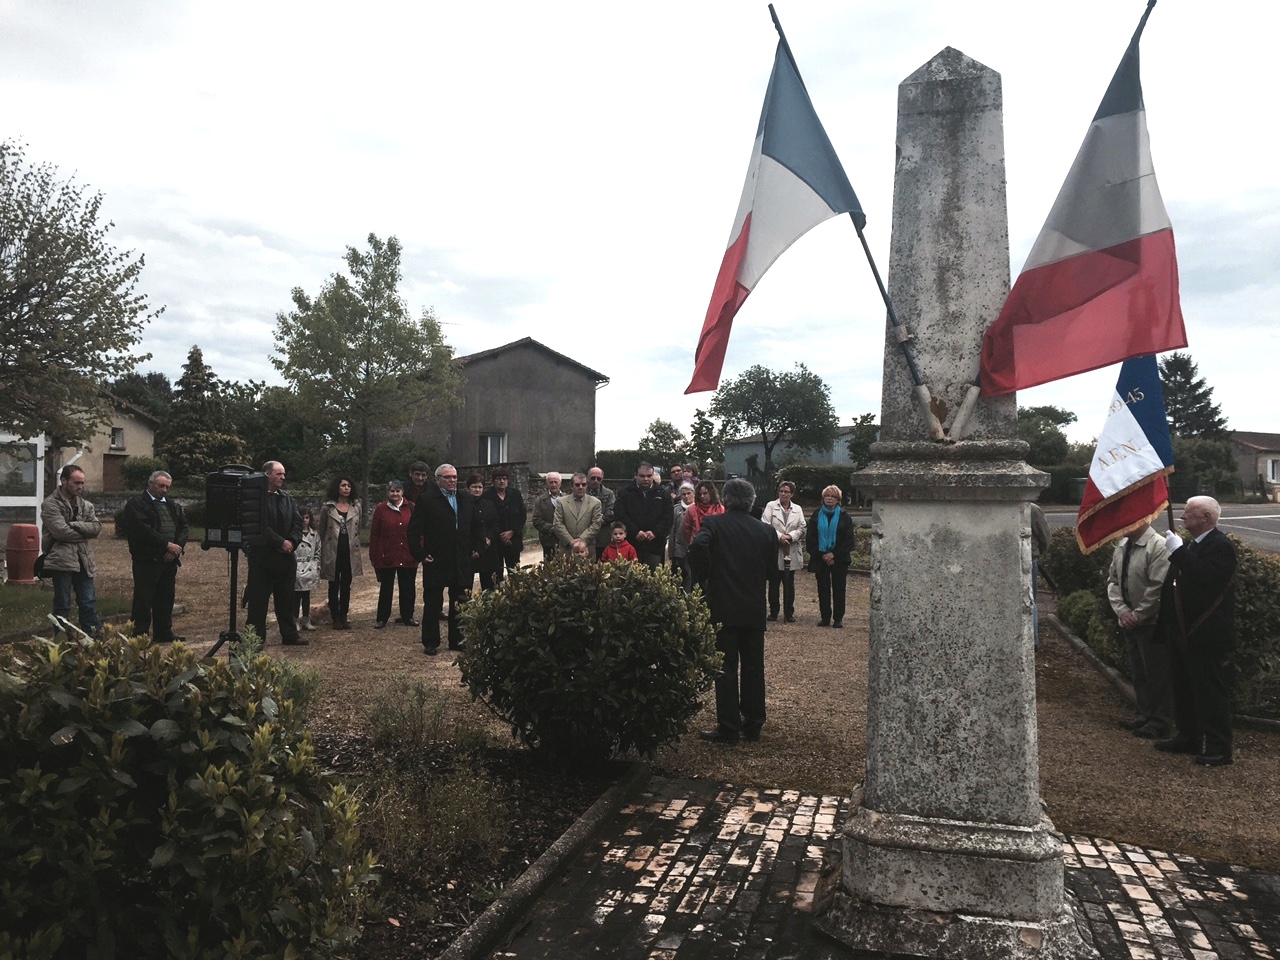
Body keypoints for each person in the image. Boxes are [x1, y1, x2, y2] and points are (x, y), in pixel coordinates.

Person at [688, 477, 776, 744]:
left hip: (723, 604)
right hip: (753, 606)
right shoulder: (765, 531)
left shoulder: (715, 523)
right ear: (751, 502)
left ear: (725, 500)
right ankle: (753, 723)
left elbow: (696, 547)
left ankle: (728, 726)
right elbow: (773, 572)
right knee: (753, 666)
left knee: (726, 667)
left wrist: (705, 576)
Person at [1154, 497, 1238, 767]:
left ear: (1206, 518)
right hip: (1182, 630)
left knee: (1209, 692)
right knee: (1183, 688)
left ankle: (1219, 748)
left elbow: (1206, 577)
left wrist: (1178, 552)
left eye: (1188, 514)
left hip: (1205, 632)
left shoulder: (1221, 546)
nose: (1182, 518)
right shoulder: (1192, 545)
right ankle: (1188, 736)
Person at [406, 463, 484, 655]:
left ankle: (457, 640)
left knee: (460, 602)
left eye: (454, 477)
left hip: (461, 558)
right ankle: (431, 642)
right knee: (433, 603)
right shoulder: (427, 500)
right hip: (437, 559)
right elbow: (414, 532)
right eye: (447, 477)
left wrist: (478, 547)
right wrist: (421, 555)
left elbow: (476, 526)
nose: (452, 481)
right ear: (438, 479)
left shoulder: (466, 498)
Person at [1107, 522, 1172, 738]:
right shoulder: (1123, 545)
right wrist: (1122, 611)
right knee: (1138, 671)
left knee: (1156, 673)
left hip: (1150, 623)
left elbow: (1157, 587)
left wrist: (1138, 615)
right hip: (1129, 620)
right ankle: (1145, 714)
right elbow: (1113, 581)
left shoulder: (1158, 546)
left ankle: (1160, 720)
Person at [123, 469, 188, 643]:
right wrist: (165, 546)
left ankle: (163, 632)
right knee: (144, 599)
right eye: (161, 486)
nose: (164, 490)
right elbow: (142, 530)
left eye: (167, 487)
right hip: (147, 559)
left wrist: (177, 548)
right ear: (151, 484)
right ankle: (140, 635)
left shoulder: (172, 505)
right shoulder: (137, 504)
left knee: (166, 598)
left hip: (169, 560)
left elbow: (183, 528)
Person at [246, 461, 305, 646]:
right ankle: (255, 639)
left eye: (283, 474)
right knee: (258, 601)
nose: (283, 477)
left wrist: (292, 542)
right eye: (279, 474)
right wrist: (280, 542)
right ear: (267, 475)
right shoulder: (255, 499)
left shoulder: (287, 498)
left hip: (286, 557)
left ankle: (289, 635)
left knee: (286, 599)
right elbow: (259, 525)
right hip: (263, 557)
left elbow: (297, 522)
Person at [41, 464, 102, 636]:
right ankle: (61, 642)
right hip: (61, 560)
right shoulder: (50, 504)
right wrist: (84, 532)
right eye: (76, 483)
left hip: (84, 560)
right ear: (64, 481)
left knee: (88, 602)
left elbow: (96, 528)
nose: (80, 487)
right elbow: (61, 532)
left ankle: (92, 640)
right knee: (63, 604)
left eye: (82, 483)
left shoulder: (85, 505)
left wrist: (75, 525)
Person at [369, 480, 418, 629]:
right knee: (386, 587)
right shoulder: (381, 509)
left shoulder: (411, 507)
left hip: (407, 553)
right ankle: (382, 618)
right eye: (392, 491)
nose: (395, 494)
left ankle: (407, 616)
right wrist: (374, 555)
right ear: (388, 493)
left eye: (397, 491)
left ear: (402, 492)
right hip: (387, 553)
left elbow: (418, 531)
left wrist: (418, 550)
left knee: (408, 587)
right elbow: (374, 534)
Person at [806, 485, 855, 628]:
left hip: (839, 559)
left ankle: (838, 618)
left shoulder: (845, 517)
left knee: (839, 589)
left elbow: (849, 541)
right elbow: (811, 539)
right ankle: (825, 617)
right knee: (823, 588)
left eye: (833, 496)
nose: (829, 498)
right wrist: (823, 555)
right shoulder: (816, 515)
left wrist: (833, 554)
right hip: (820, 559)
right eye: (827, 496)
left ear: (838, 500)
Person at [319, 475, 363, 630]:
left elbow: (358, 528)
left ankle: (344, 615)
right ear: (337, 487)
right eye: (343, 485)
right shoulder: (328, 508)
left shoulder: (356, 507)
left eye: (349, 486)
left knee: (346, 584)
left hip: (349, 550)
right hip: (333, 550)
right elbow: (322, 531)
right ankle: (335, 616)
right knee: (333, 583)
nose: (346, 488)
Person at [761, 481, 806, 623]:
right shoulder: (771, 506)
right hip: (775, 549)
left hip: (790, 549)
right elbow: (765, 524)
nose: (783, 494)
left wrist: (791, 536)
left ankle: (789, 612)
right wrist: (780, 537)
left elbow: (802, 527)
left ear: (791, 494)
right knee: (774, 583)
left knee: (789, 582)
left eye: (786, 492)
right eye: (781, 491)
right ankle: (774, 611)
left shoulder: (797, 509)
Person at [613, 462, 673, 569]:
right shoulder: (624, 493)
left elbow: (668, 517)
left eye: (649, 476)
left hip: (655, 546)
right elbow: (620, 515)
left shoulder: (663, 493)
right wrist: (635, 531)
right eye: (642, 476)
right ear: (635, 475)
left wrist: (655, 532)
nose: (646, 479)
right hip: (630, 546)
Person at [482, 466, 526, 579]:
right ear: (493, 481)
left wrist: (512, 532)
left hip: (513, 540)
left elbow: (522, 515)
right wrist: (499, 536)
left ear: (507, 481)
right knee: (496, 575)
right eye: (498, 479)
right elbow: (486, 519)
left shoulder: (515, 494)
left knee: (515, 574)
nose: (502, 481)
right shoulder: (487, 496)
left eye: (504, 478)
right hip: (495, 543)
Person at [468, 474, 503, 591]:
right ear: (468, 488)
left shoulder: (489, 504)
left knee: (490, 586)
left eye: (480, 487)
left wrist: (489, 538)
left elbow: (495, 524)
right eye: (474, 487)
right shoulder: (464, 505)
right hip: (470, 549)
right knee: (466, 586)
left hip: (488, 549)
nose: (477, 490)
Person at [552, 472, 603, 554]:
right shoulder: (561, 502)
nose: (581, 487)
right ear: (572, 486)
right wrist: (571, 542)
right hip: (567, 549)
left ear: (587, 486)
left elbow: (596, 524)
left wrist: (582, 540)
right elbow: (557, 524)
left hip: (587, 548)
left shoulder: (595, 503)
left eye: (583, 484)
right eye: (577, 485)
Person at [294, 507, 320, 631]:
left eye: (307, 517)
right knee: (296, 596)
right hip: (297, 566)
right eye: (302, 518)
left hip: (309, 566)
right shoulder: (294, 533)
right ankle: (295, 619)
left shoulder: (314, 534)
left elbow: (318, 550)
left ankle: (306, 618)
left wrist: (316, 564)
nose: (304, 520)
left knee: (306, 596)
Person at [531, 471, 564, 561]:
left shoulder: (567, 499)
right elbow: (536, 520)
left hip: (564, 540)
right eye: (551, 482)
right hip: (548, 541)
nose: (553, 485)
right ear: (547, 484)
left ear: (560, 483)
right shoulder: (540, 500)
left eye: (555, 482)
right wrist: (552, 528)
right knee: (550, 569)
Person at [669, 483, 696, 590]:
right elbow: (672, 532)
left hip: (693, 548)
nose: (686, 496)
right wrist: (671, 553)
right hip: (679, 550)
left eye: (689, 493)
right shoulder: (676, 510)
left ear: (693, 494)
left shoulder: (698, 508)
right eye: (683, 494)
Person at [681, 480, 724, 546]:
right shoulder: (691, 510)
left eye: (705, 493)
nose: (702, 496)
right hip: (696, 547)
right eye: (700, 494)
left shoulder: (720, 509)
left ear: (711, 493)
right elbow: (686, 530)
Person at [586, 467, 616, 560]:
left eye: (598, 478)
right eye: (593, 478)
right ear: (588, 478)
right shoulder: (581, 492)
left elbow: (612, 512)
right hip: (585, 536)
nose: (596, 481)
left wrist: (596, 523)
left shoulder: (609, 494)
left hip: (603, 536)